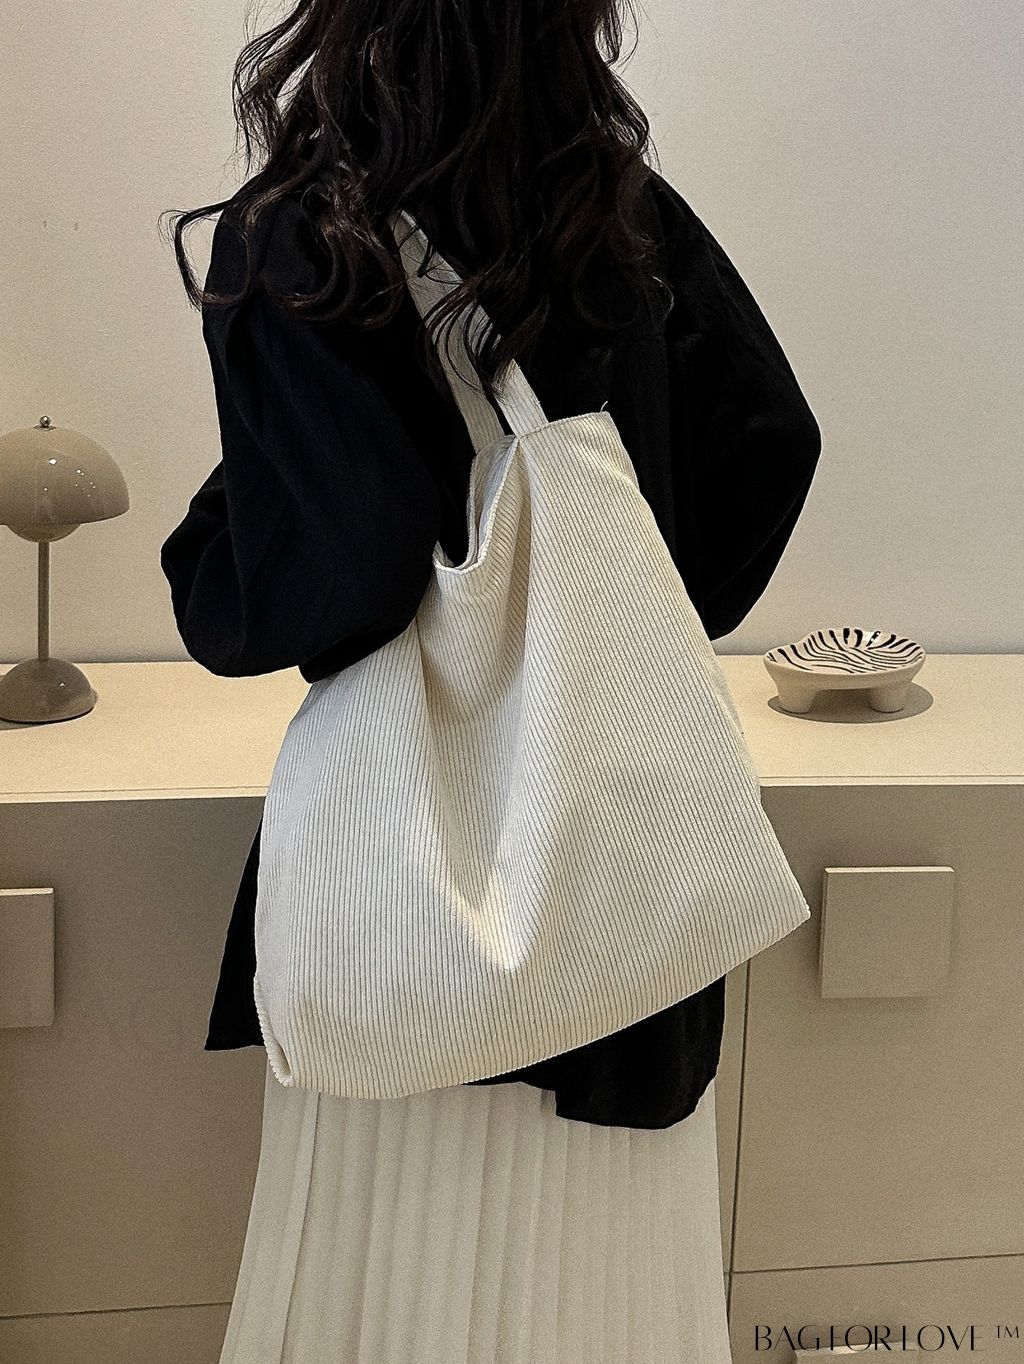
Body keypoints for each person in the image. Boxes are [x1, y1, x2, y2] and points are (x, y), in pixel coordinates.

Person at [159, 1, 822, 1358]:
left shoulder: (305, 233)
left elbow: (340, 561)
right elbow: (773, 436)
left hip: (408, 905)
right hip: (617, 887)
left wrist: (208, 563)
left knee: (391, 1292)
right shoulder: (622, 212)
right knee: (608, 1302)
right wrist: (613, 621)